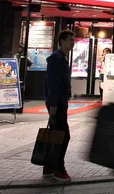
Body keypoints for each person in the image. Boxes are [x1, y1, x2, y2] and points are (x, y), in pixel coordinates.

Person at [43, 30, 75, 182]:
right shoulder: (57, 58)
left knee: (56, 135)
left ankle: (49, 167)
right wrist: (54, 103)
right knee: (63, 135)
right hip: (57, 103)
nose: (72, 43)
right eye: (70, 40)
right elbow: (53, 83)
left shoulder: (62, 58)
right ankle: (58, 168)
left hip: (60, 102)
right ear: (62, 41)